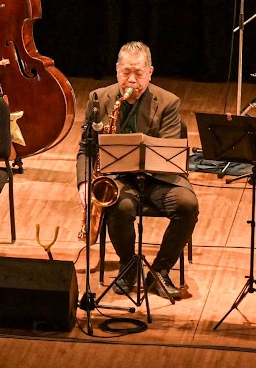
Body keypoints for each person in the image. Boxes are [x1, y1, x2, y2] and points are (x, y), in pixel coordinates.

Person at [75, 42, 196, 300]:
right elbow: (86, 148)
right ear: (117, 70)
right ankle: (128, 265)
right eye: (126, 73)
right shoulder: (98, 99)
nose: (132, 80)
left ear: (150, 72)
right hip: (119, 179)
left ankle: (160, 271)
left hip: (159, 178)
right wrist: (84, 183)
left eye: (138, 74)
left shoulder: (168, 102)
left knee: (188, 205)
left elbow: (167, 152)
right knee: (120, 207)